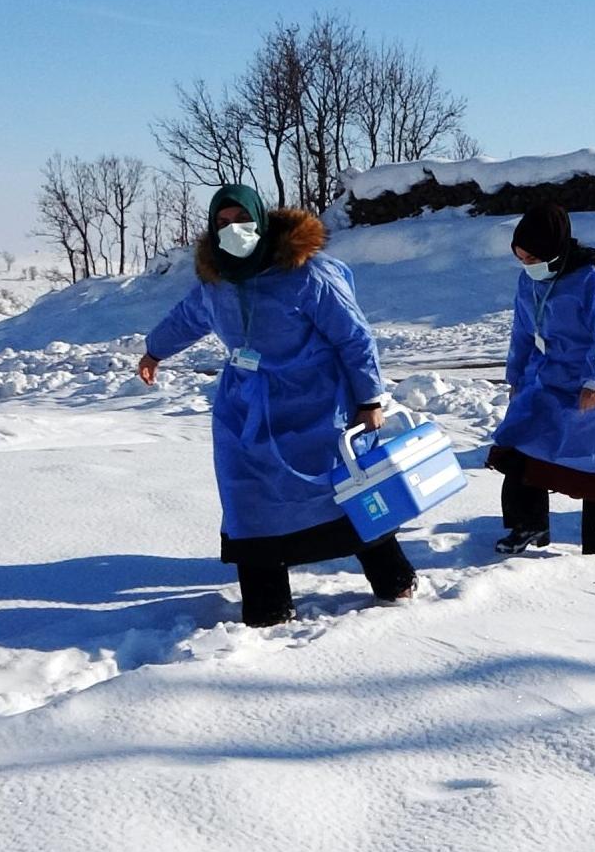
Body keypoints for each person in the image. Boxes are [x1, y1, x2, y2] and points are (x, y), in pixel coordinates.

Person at [137, 184, 416, 625]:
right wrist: (154, 351)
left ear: (261, 222)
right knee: (249, 500)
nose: (234, 230)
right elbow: (187, 318)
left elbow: (355, 337)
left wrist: (368, 398)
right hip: (246, 409)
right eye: (223, 223)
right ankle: (267, 607)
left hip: (316, 403)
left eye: (242, 220)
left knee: (343, 492)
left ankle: (394, 579)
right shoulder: (216, 282)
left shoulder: (307, 273)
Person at [489, 203, 595, 556]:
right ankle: (528, 525)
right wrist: (516, 376)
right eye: (521, 259)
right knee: (519, 444)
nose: (527, 265)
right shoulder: (530, 281)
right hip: (552, 377)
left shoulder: (592, 277)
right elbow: (522, 331)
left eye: (532, 257)